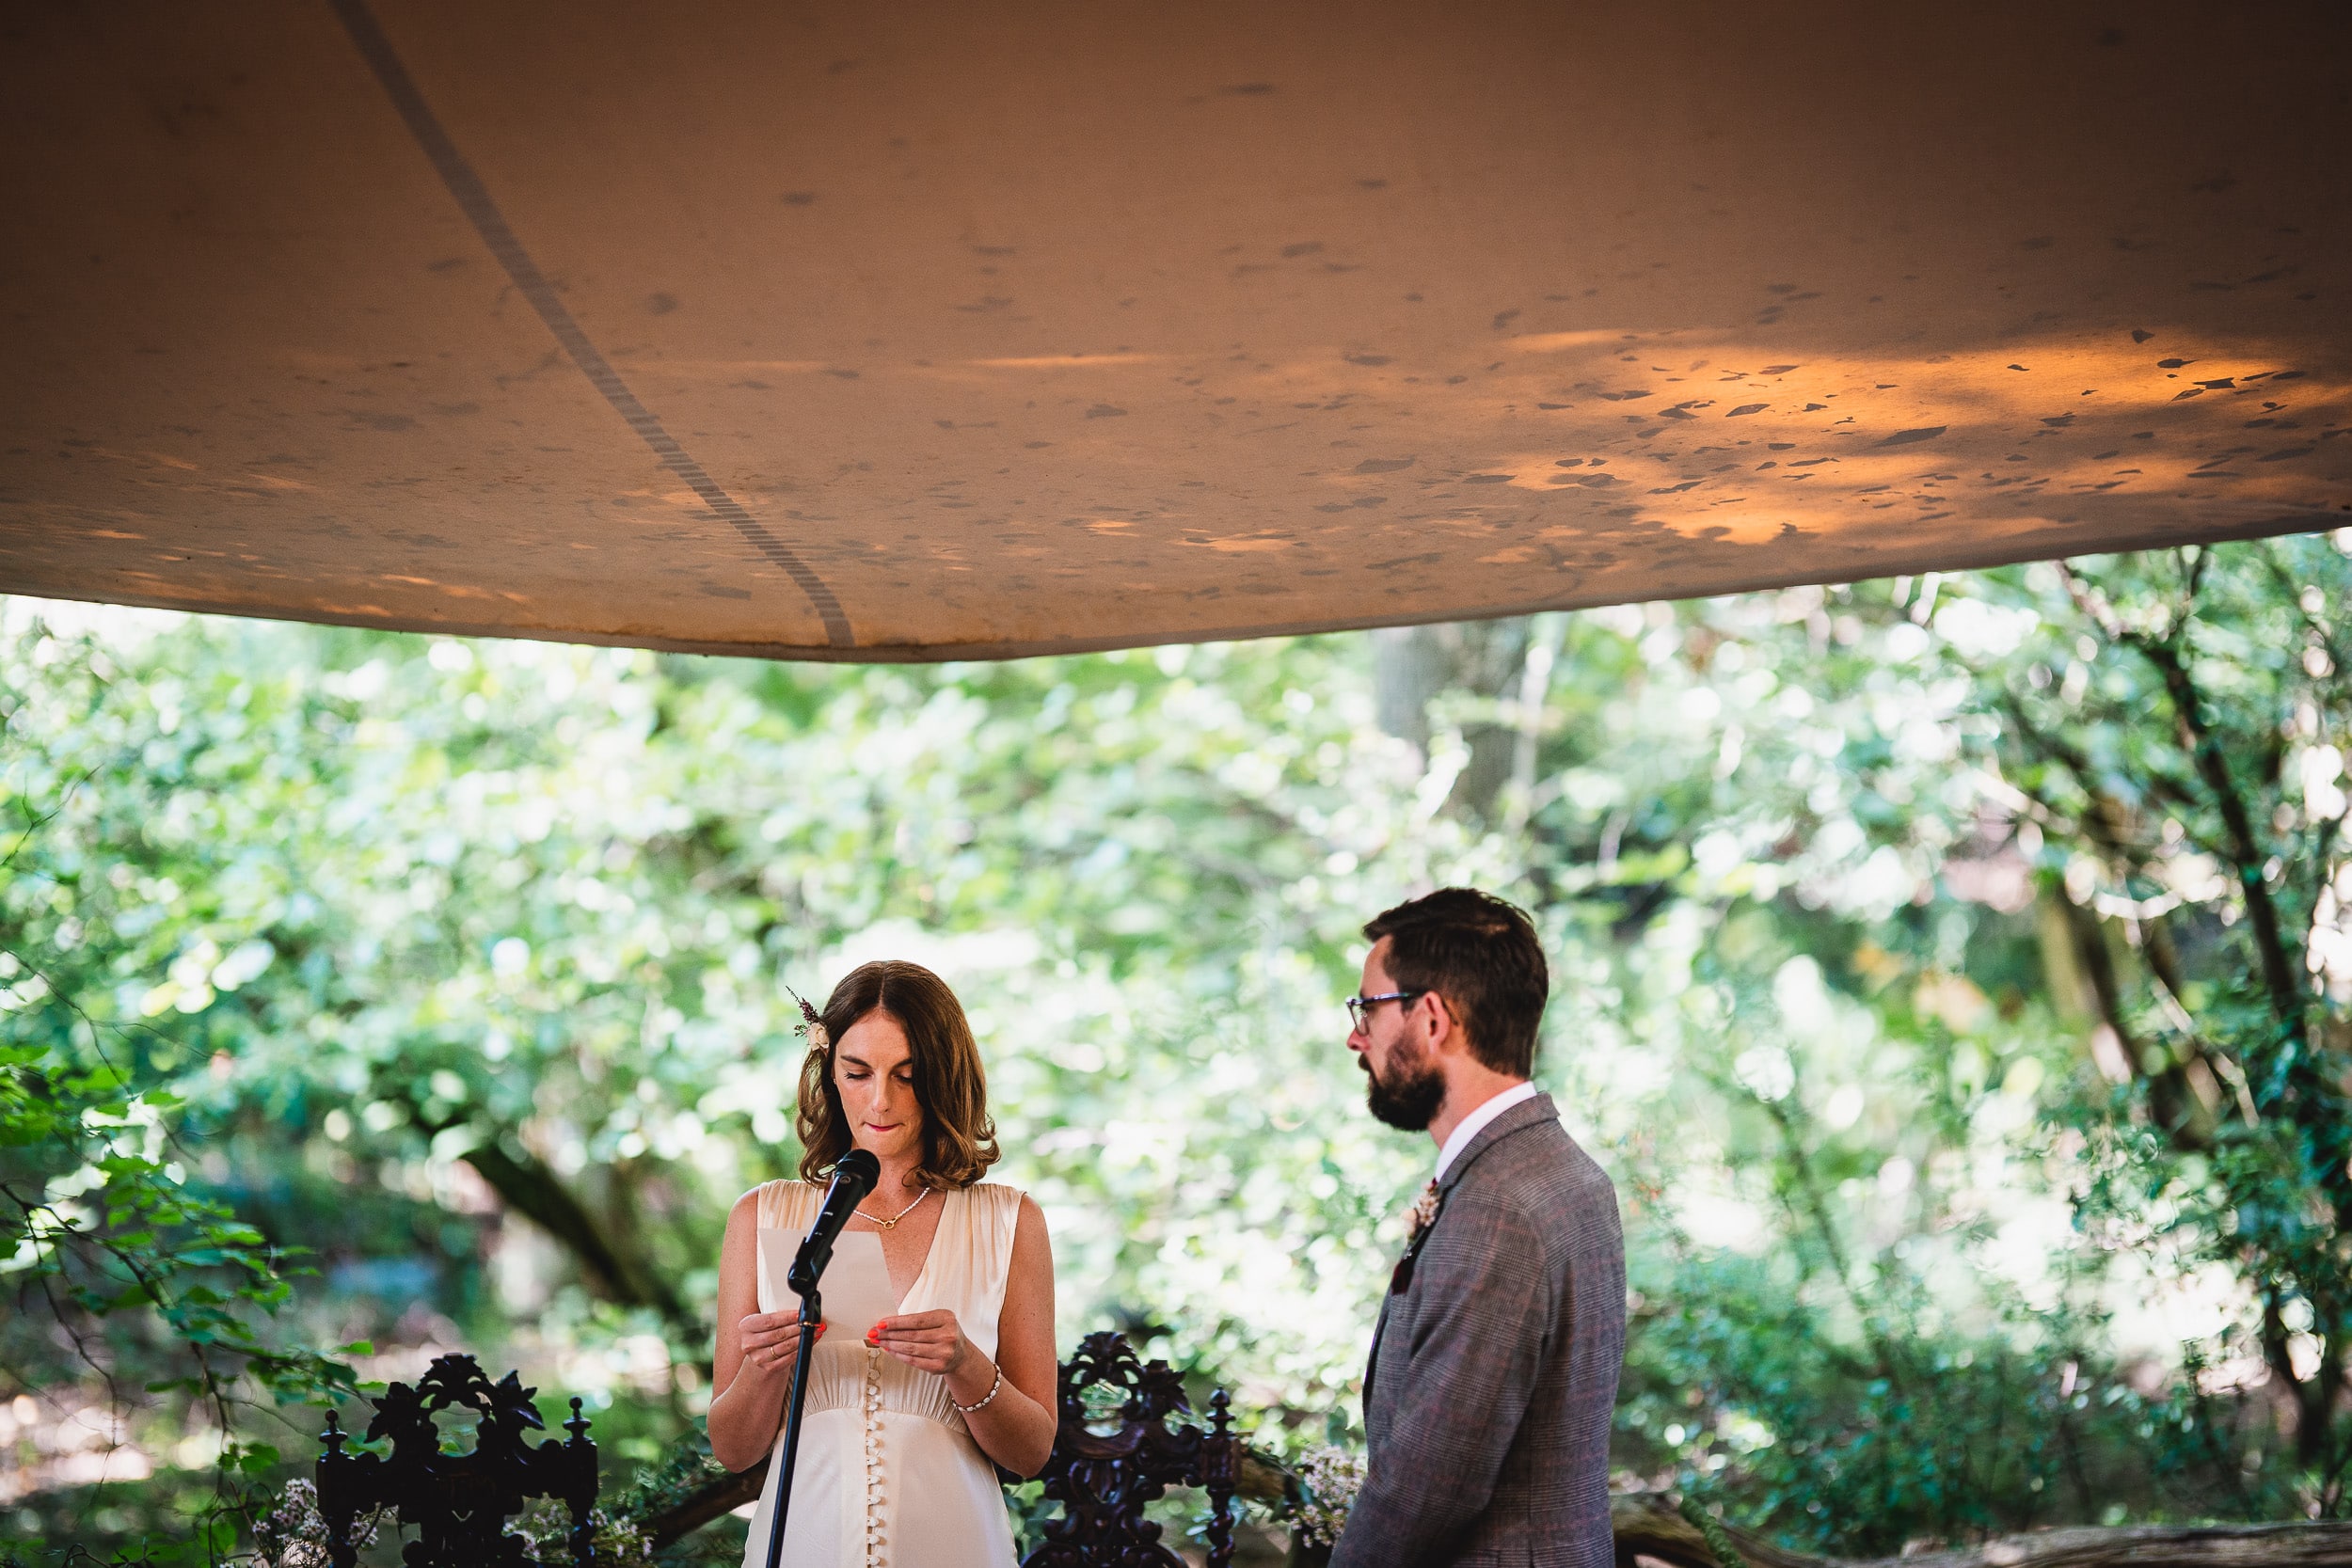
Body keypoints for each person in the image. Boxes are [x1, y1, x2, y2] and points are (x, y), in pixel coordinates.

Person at [708, 960, 1057, 1568]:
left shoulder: (1011, 1221)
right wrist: (764, 1368)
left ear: (943, 1078)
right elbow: (734, 1450)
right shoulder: (759, 1216)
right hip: (802, 1545)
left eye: (907, 1074)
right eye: (858, 1071)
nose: (881, 1099)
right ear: (829, 1072)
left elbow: (1031, 1454)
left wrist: (966, 1365)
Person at [1327, 888, 1625, 1568]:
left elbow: (1428, 1489)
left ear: (1431, 1017)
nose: (1355, 1034)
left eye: (1367, 1007)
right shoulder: (1564, 1171)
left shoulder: (1500, 1205)